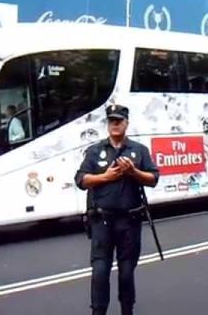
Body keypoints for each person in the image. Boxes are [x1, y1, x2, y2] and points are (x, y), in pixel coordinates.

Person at [74, 104, 159, 315]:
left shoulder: (139, 150)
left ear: (126, 124)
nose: (115, 124)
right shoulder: (95, 151)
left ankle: (127, 310)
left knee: (127, 272)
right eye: (111, 121)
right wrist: (105, 177)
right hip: (102, 221)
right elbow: (81, 179)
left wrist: (133, 172)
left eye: (119, 121)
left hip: (129, 222)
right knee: (100, 272)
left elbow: (153, 179)